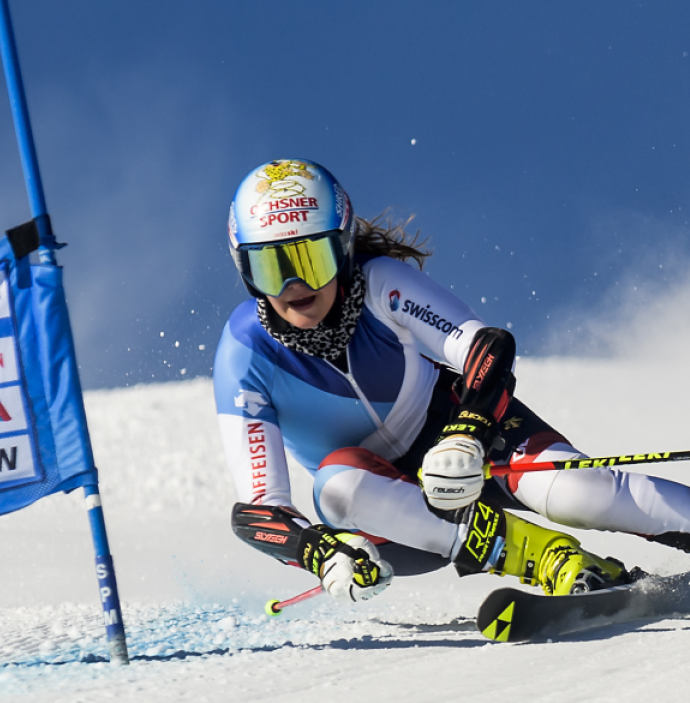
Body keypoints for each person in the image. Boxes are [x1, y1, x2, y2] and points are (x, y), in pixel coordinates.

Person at [213, 158, 690, 604]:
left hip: (466, 437)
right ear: (246, 271)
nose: (295, 286)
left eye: (312, 260)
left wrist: (467, 434)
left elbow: (485, 345)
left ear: (343, 248)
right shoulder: (244, 352)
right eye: (272, 269)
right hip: (393, 519)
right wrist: (317, 552)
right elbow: (259, 509)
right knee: (337, 486)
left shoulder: (379, 284)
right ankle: (554, 561)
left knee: (580, 494)